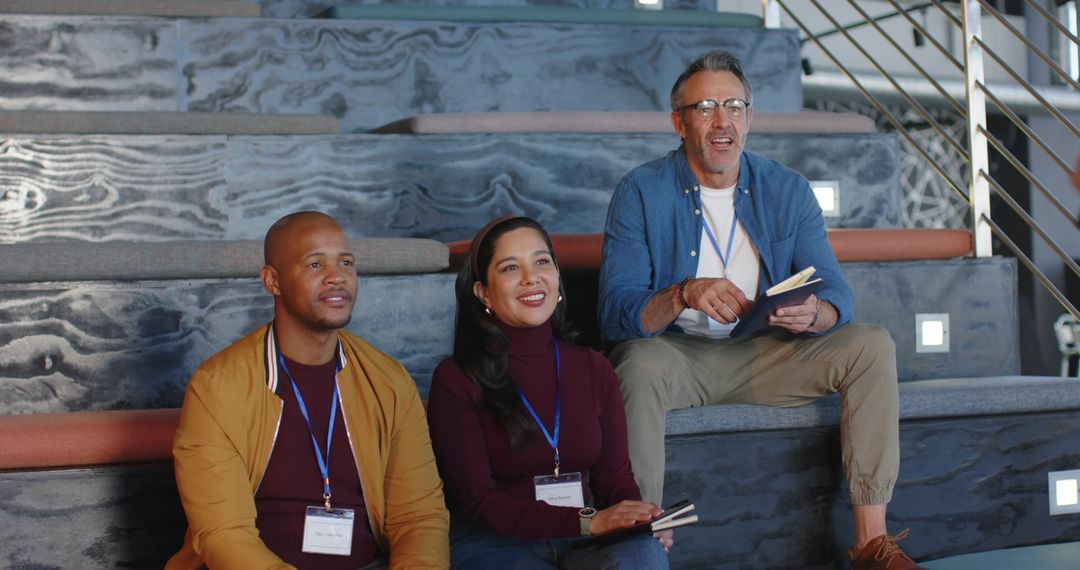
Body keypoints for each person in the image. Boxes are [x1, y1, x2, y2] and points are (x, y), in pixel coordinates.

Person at [598, 51, 924, 570]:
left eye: (734, 106)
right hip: (677, 358)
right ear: (679, 122)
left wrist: (815, 314)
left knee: (871, 344)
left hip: (767, 354)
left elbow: (837, 292)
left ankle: (871, 545)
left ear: (750, 118)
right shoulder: (640, 191)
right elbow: (615, 314)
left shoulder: (787, 187)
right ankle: (643, 537)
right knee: (635, 364)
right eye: (705, 107)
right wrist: (682, 293)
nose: (722, 121)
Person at [166, 211, 450, 569]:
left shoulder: (389, 381)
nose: (337, 277)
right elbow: (224, 535)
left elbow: (419, 516)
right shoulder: (218, 386)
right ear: (273, 281)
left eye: (346, 263)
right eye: (315, 264)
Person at [427, 216, 672, 569]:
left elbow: (615, 480)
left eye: (541, 261)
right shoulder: (456, 378)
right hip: (496, 544)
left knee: (645, 554)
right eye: (511, 267)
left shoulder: (594, 367)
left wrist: (638, 520)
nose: (531, 277)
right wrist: (589, 520)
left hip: (582, 538)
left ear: (557, 277)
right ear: (484, 293)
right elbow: (478, 502)